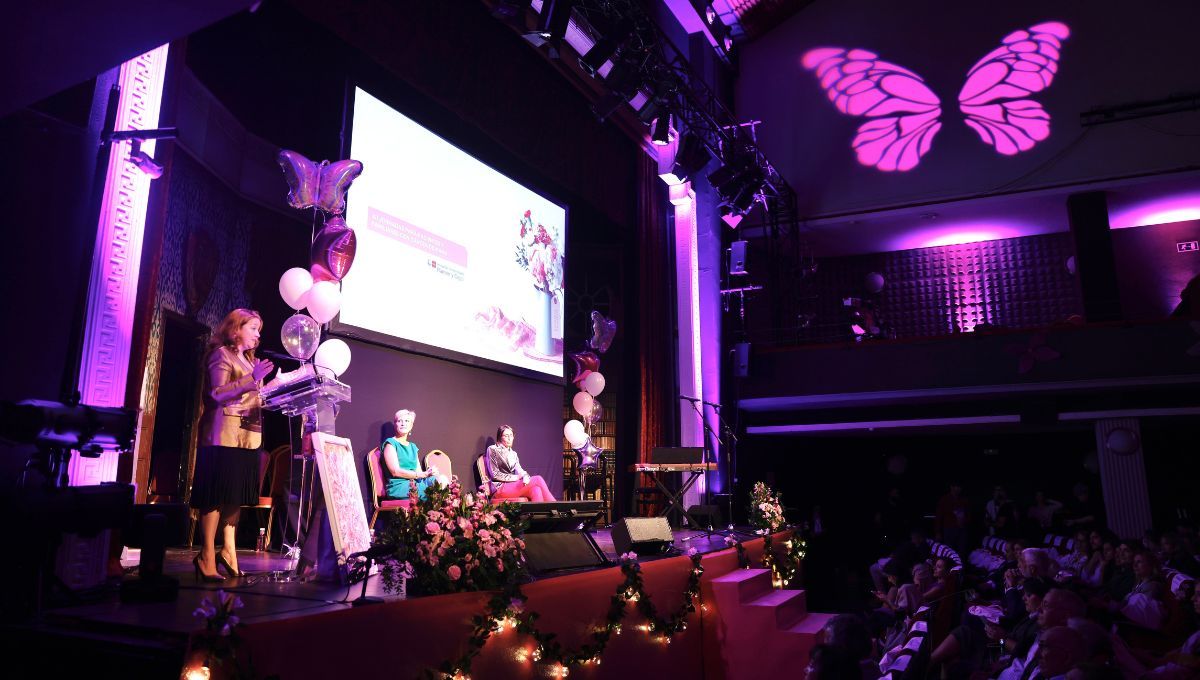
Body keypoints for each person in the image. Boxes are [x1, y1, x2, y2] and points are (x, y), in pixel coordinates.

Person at [191, 308, 274, 581]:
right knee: (216, 495)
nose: (258, 334)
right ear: (235, 329)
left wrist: (274, 391)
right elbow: (216, 393)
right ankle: (206, 555)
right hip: (223, 435)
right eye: (253, 328)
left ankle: (228, 551)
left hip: (248, 437)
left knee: (235, 496)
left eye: (258, 329)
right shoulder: (221, 355)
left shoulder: (249, 361)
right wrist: (252, 379)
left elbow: (251, 396)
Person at [487, 424, 556, 501]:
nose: (509, 438)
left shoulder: (513, 453)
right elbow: (495, 474)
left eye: (511, 435)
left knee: (536, 490)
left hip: (512, 486)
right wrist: (516, 477)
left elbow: (519, 470)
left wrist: (525, 476)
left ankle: (540, 513)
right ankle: (557, 507)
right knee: (538, 479)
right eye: (506, 436)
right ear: (500, 437)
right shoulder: (493, 449)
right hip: (500, 488)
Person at [381, 409, 436, 501]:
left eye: (407, 421)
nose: (403, 424)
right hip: (399, 486)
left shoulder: (413, 446)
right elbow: (395, 471)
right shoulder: (390, 444)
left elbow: (419, 471)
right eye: (399, 421)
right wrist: (421, 474)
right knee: (433, 492)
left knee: (441, 481)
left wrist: (429, 473)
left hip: (415, 482)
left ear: (411, 425)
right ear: (395, 424)